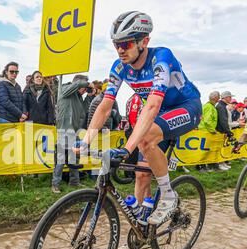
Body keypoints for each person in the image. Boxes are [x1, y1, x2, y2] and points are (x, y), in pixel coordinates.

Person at [75, 11, 202, 227]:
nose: (120, 50)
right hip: (159, 114)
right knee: (141, 176)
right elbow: (105, 106)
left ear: (144, 41)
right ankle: (139, 230)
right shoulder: (119, 66)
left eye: (126, 44)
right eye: (116, 45)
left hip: (186, 107)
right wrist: (85, 141)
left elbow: (152, 105)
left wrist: (127, 148)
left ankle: (168, 195)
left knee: (143, 141)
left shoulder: (161, 57)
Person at [52, 74, 95, 193]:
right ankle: (55, 184)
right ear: (78, 83)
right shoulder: (65, 89)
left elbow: (84, 110)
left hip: (74, 131)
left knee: (74, 157)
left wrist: (89, 96)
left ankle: (74, 182)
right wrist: (86, 84)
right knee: (60, 159)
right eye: (83, 87)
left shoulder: (78, 96)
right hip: (64, 130)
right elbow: (76, 86)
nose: (84, 90)